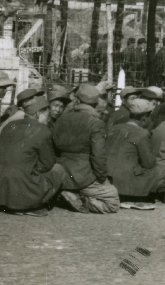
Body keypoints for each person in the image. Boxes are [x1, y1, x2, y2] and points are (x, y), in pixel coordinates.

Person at [0, 88, 67, 215]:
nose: (48, 119)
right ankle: (31, 205)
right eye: (47, 114)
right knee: (58, 169)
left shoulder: (9, 125)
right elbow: (47, 164)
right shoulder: (43, 130)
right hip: (21, 188)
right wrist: (32, 170)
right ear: (39, 113)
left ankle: (12, 200)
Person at [51, 83, 120, 214]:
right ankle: (82, 200)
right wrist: (101, 178)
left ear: (77, 99)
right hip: (83, 174)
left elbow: (54, 144)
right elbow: (98, 155)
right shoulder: (96, 122)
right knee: (112, 203)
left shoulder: (62, 118)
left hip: (61, 170)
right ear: (96, 101)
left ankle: (64, 194)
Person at [106, 87, 161, 210]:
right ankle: (136, 198)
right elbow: (148, 163)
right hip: (126, 183)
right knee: (156, 168)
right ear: (144, 118)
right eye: (150, 116)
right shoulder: (141, 133)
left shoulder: (115, 128)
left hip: (109, 177)